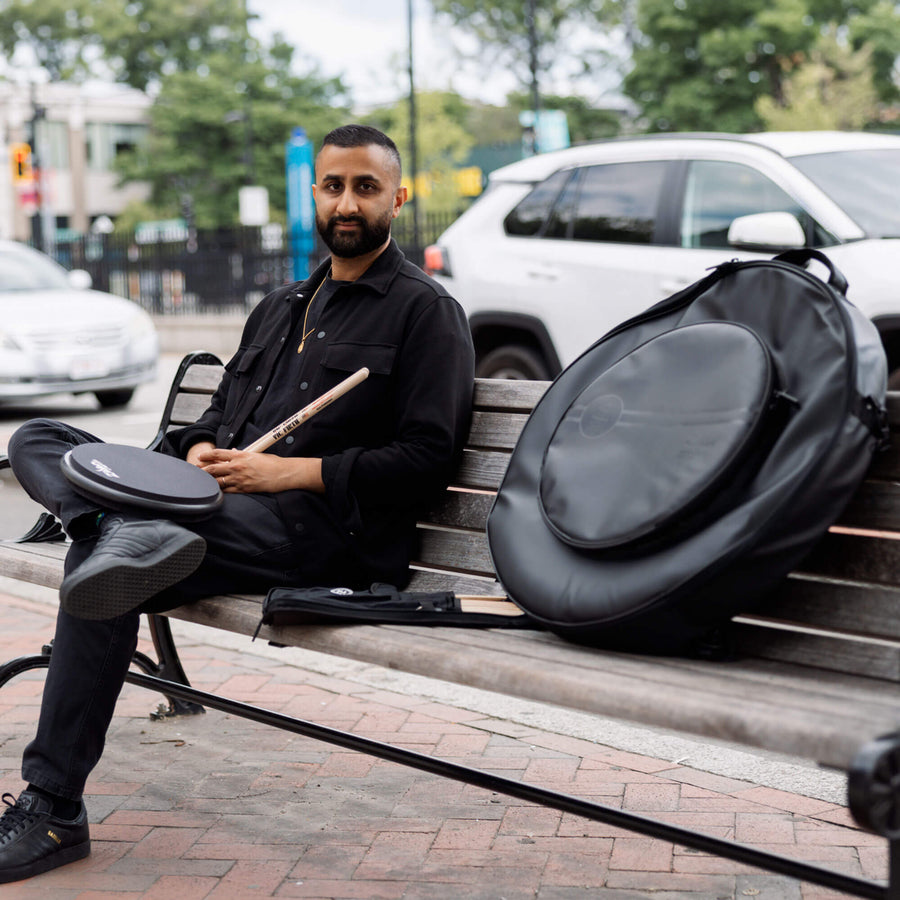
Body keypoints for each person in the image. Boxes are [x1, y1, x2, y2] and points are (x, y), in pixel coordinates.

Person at [0, 124, 475, 883]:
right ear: (312, 192)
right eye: (333, 185)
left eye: (365, 187)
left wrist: (290, 474)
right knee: (41, 437)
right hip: (208, 513)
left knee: (102, 568)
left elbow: (426, 461)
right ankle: (103, 523)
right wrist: (197, 451)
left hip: (318, 531)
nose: (347, 202)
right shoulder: (280, 304)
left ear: (397, 198)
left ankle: (53, 809)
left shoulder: (425, 312)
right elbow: (216, 420)